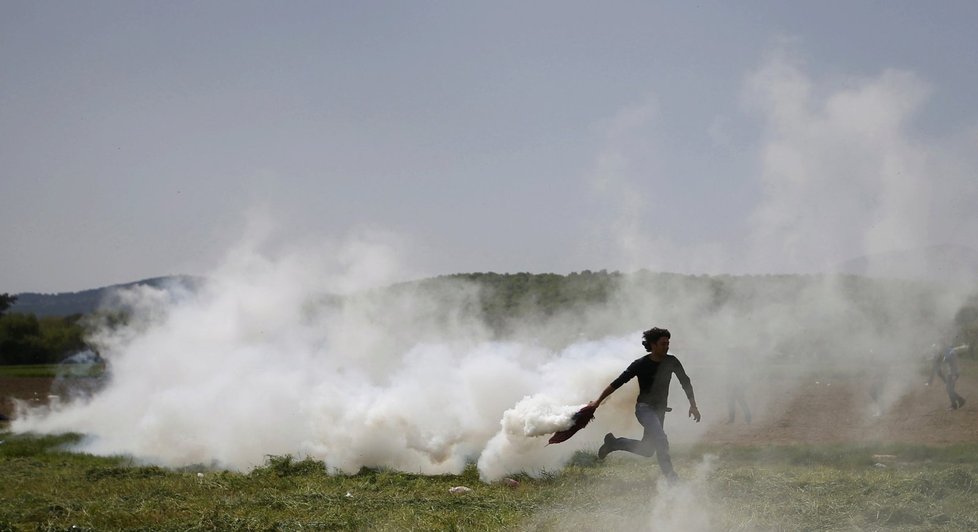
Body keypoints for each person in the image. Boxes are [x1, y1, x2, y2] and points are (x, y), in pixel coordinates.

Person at [588, 327, 700, 483]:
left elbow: (685, 381)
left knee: (647, 450)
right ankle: (672, 479)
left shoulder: (671, 361)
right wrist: (598, 401)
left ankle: (614, 443)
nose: (667, 346)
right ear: (653, 345)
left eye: (668, 343)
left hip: (659, 411)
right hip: (644, 409)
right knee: (660, 438)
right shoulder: (640, 364)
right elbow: (617, 383)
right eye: (663, 344)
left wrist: (693, 405)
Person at [928, 344, 968, 410]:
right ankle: (959, 402)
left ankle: (956, 404)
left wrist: (953, 374)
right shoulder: (945, 351)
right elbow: (939, 361)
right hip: (951, 373)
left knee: (949, 389)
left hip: (953, 373)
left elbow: (954, 362)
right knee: (949, 389)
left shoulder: (949, 351)